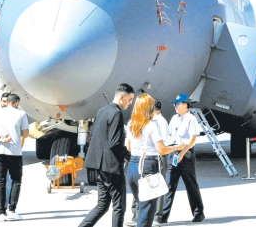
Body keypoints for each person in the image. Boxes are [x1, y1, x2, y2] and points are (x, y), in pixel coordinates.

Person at [79, 84, 134, 227]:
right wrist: (128, 155)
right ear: (122, 97)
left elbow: (92, 138)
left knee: (102, 205)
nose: (130, 103)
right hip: (112, 168)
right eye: (130, 99)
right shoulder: (116, 113)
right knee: (119, 207)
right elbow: (115, 143)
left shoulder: (102, 111)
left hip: (99, 167)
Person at [126, 95, 184, 227]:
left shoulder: (130, 124)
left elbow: (129, 147)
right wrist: (178, 147)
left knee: (141, 204)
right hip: (148, 165)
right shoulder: (151, 125)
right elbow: (161, 150)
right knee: (148, 209)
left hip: (133, 165)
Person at [0, 93, 30, 222]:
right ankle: (12, 210)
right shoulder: (21, 114)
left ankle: (1, 213)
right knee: (16, 181)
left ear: (6, 102)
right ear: (16, 103)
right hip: (14, 153)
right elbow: (25, 134)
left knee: (0, 182)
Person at [161, 94, 205, 223]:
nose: (175, 106)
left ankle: (198, 213)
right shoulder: (174, 118)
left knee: (190, 184)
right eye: (174, 104)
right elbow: (170, 134)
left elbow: (192, 138)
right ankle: (163, 215)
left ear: (185, 105)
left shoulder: (191, 118)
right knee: (169, 184)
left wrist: (181, 154)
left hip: (186, 153)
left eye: (178, 104)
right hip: (173, 152)